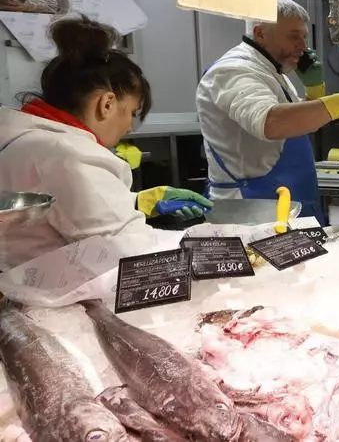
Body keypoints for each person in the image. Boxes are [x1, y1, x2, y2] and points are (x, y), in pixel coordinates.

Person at [0, 18, 210, 271]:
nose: (130, 127)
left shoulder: (29, 143)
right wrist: (214, 250)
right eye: (132, 112)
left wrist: (135, 202)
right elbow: (128, 253)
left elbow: (71, 213)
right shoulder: (68, 156)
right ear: (107, 104)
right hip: (57, 296)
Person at [197, 0, 339, 225]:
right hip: (252, 207)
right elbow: (271, 122)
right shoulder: (233, 70)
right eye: (294, 36)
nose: (303, 47)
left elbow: (296, 126)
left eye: (304, 37)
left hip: (287, 198)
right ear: (260, 33)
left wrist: (314, 91)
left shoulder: (274, 73)